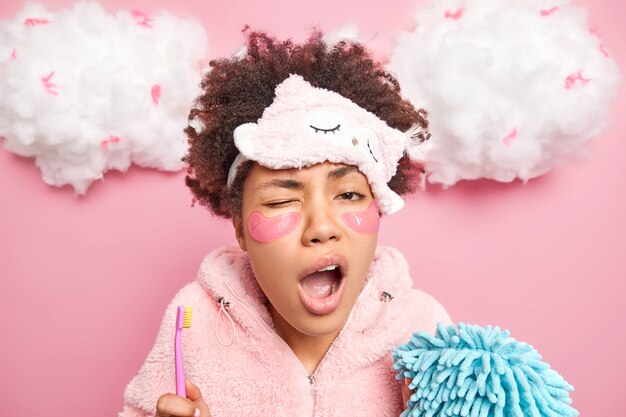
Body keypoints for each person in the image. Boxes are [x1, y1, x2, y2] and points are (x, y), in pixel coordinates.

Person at [119, 28, 452, 417]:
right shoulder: (194, 326)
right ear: (240, 228)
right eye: (281, 200)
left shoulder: (423, 331)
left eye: (348, 195)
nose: (321, 228)